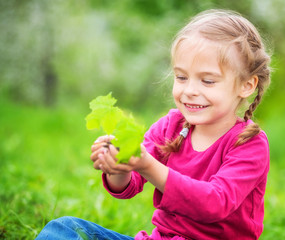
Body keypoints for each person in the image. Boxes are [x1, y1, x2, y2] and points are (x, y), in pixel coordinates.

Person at [36, 9, 271, 240]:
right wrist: (119, 164)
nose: (189, 91)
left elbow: (214, 203)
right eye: (181, 77)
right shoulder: (171, 125)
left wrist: (147, 165)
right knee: (64, 228)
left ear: (247, 85)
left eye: (207, 81)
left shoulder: (249, 144)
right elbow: (129, 185)